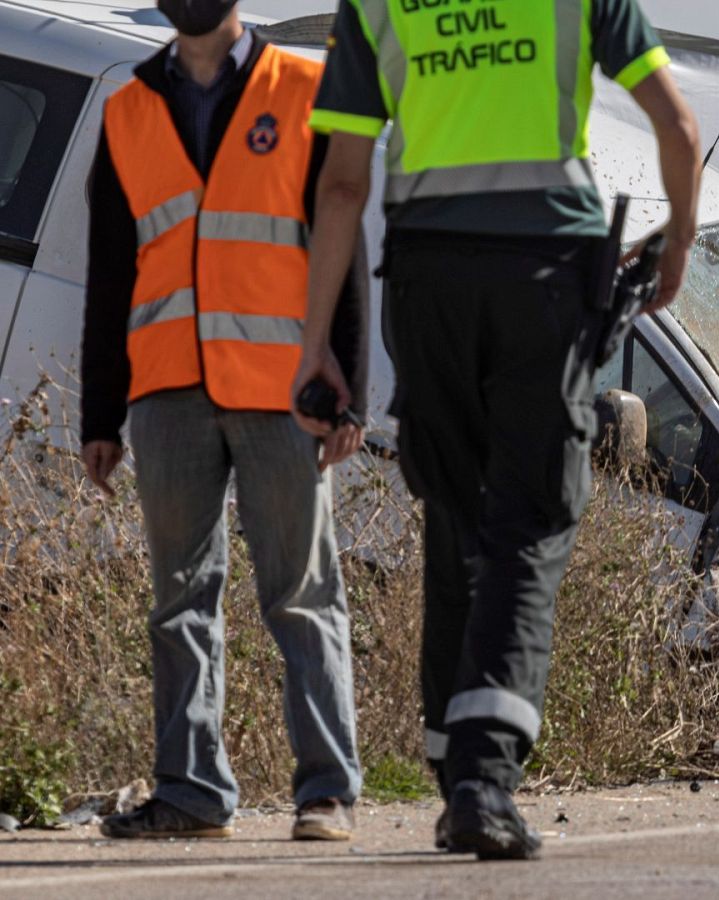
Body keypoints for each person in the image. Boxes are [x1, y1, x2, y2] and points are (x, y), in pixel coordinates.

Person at [296, 0, 700, 860]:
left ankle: (453, 763)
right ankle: (483, 779)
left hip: (425, 276)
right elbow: (679, 126)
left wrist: (316, 346)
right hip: (545, 273)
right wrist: (677, 245)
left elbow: (339, 183)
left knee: (454, 507)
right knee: (530, 520)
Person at [80, 0, 369, 841]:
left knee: (301, 594)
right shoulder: (127, 110)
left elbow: (337, 235)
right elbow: (111, 269)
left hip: (285, 388)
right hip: (167, 392)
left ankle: (327, 793)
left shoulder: (304, 85)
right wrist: (102, 413)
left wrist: (346, 385)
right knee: (179, 601)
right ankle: (193, 793)